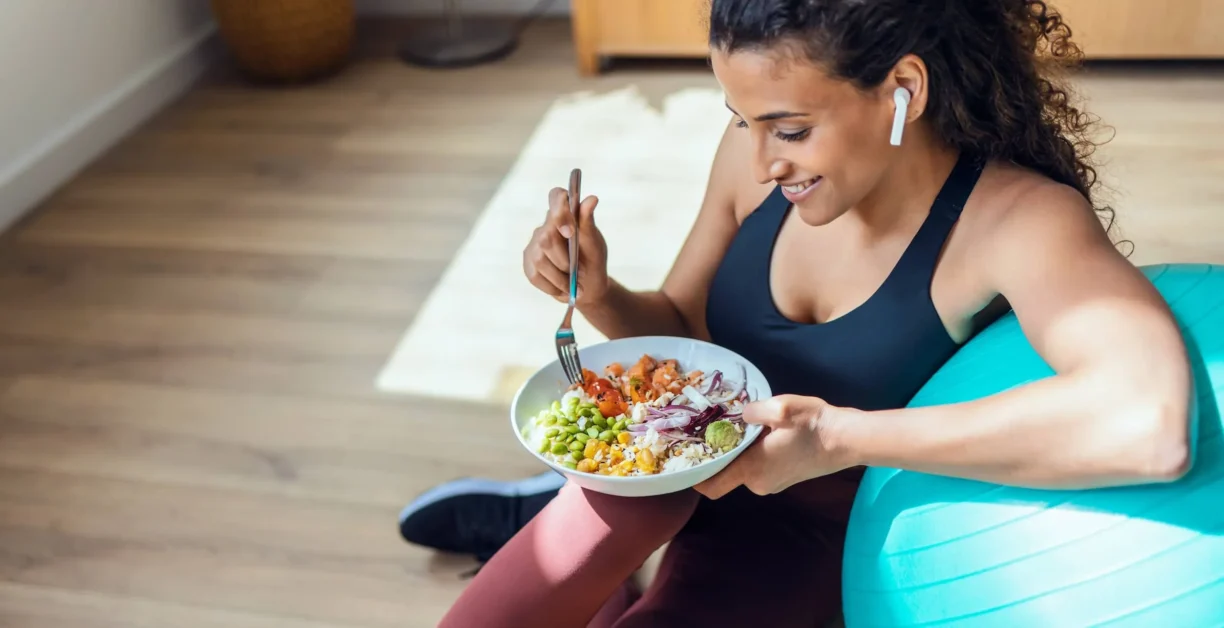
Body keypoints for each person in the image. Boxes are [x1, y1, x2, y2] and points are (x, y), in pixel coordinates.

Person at [402, 0, 1194, 625]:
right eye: (740, 121)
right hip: (684, 467)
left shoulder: (1018, 223)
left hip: (814, 534)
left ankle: (549, 526)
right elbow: (687, 332)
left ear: (903, 89)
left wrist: (835, 438)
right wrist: (601, 293)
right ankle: (557, 520)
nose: (759, 162)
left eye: (789, 129)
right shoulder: (757, 167)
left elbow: (1148, 427)